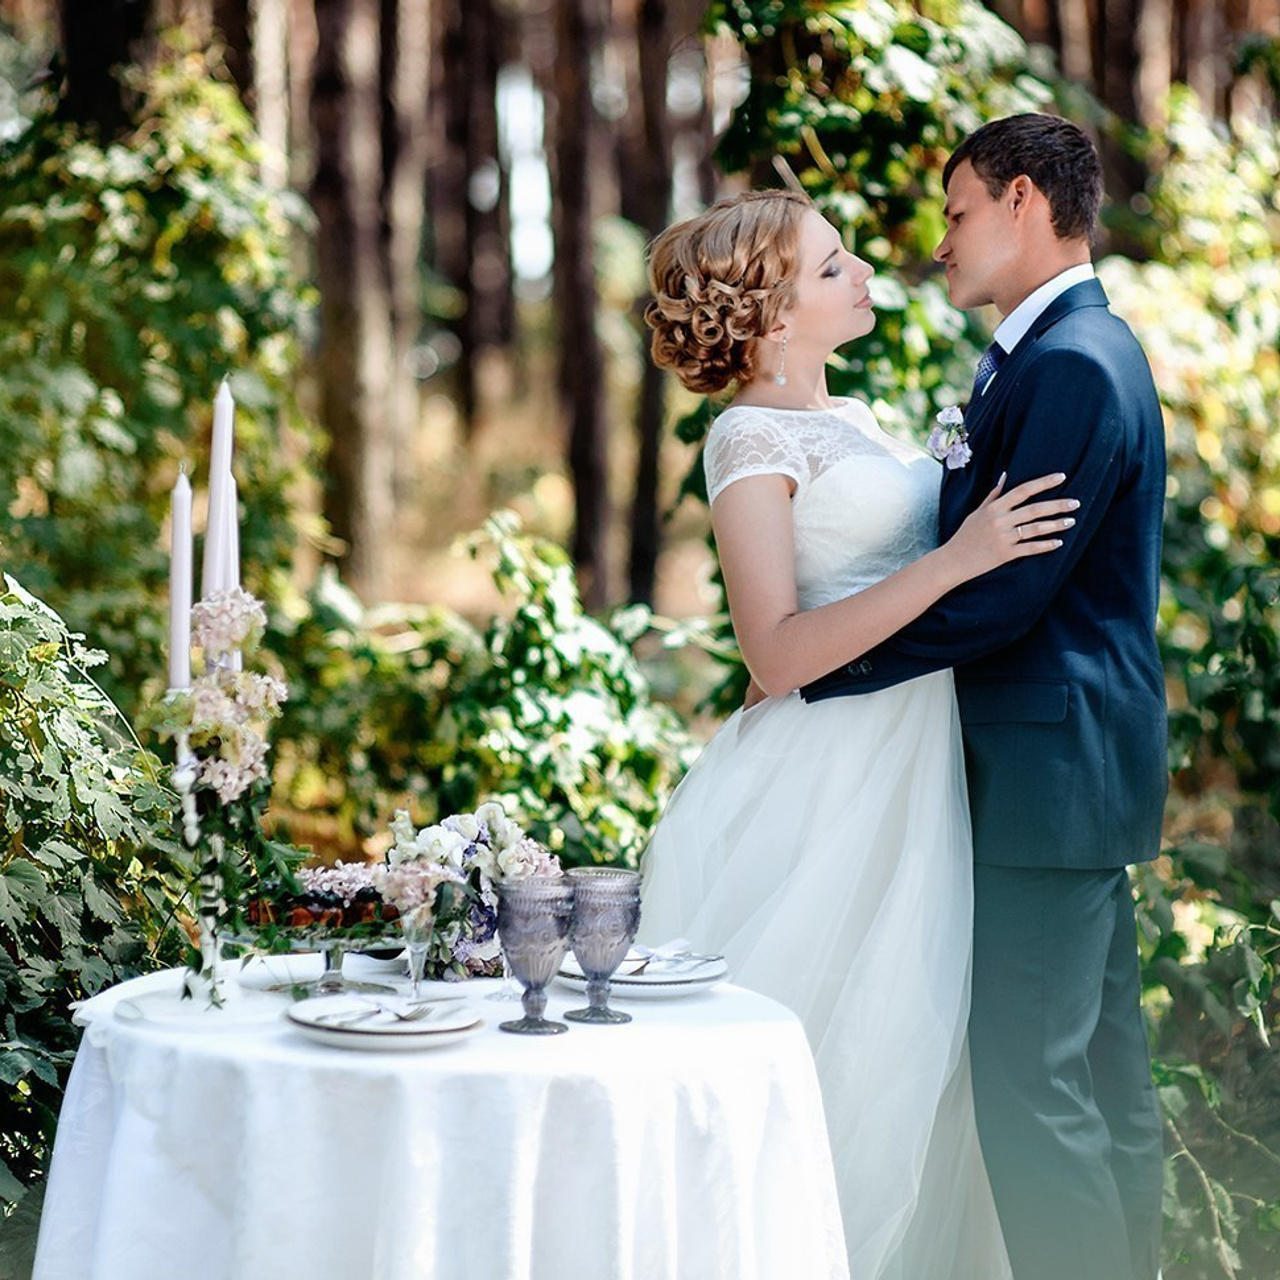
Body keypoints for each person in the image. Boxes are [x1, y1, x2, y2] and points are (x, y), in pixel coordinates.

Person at [638, 187, 1078, 1278]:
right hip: (827, 781)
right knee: (830, 1046)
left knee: (909, 1046)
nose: (866, 271)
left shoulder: (854, 418)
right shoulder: (747, 437)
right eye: (833, 265)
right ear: (775, 312)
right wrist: (956, 560)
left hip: (913, 765)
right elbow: (776, 653)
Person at [803, 115, 1167, 1280]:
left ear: (1021, 199)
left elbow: (1006, 594)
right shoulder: (1050, 351)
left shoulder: (1069, 363)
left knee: (1028, 1083)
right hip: (1061, 769)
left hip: (1042, 776)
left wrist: (821, 667)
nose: (938, 242)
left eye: (955, 211)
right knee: (1096, 1073)